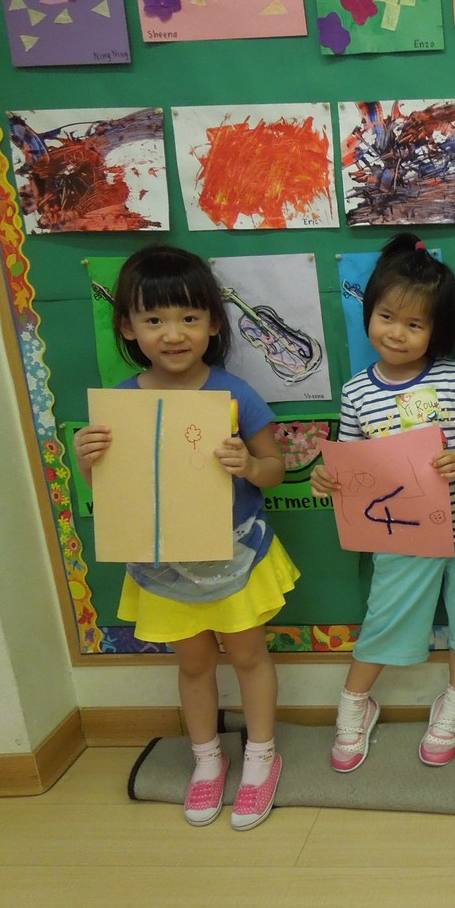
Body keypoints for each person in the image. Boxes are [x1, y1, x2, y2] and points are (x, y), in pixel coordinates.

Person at [73, 245, 298, 830]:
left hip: (234, 556)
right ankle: (206, 759)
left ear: (213, 323)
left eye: (189, 317)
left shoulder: (235, 394)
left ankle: (261, 755)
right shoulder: (120, 404)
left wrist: (249, 465)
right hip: (163, 563)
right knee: (194, 663)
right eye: (154, 319)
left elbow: (276, 469)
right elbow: (115, 494)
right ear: (128, 327)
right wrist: (88, 461)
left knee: (248, 655)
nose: (173, 334)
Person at [310, 234, 455, 772]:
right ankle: (354, 704)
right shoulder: (357, 392)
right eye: (387, 317)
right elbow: (350, 463)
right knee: (384, 618)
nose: (397, 332)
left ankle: (454, 702)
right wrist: (328, 478)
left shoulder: (454, 377)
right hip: (400, 535)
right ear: (369, 313)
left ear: (437, 330)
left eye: (415, 324)